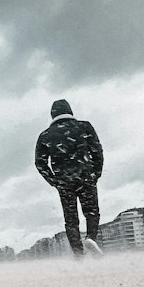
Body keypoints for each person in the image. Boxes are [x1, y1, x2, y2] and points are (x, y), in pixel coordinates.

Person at [34, 99, 104, 256]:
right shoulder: (84, 126)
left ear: (52, 115)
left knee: (71, 220)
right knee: (92, 212)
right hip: (86, 176)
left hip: (64, 182)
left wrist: (54, 181)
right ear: (70, 111)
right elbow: (97, 151)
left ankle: (78, 254)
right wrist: (95, 173)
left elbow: (40, 163)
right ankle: (91, 238)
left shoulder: (45, 136)